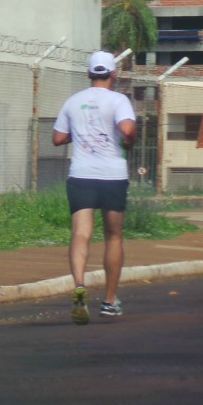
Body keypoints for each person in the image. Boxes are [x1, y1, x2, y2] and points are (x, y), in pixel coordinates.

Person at [52, 50, 136, 325]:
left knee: (81, 233)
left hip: (82, 174)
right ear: (113, 74)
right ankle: (110, 301)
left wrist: (79, 134)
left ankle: (79, 284)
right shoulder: (119, 100)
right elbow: (127, 130)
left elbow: (57, 137)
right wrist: (128, 142)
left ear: (88, 74)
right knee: (113, 236)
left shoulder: (73, 101)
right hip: (112, 174)